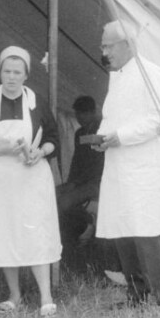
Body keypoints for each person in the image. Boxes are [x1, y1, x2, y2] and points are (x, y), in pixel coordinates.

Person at [0, 45, 61, 317]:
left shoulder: (37, 102)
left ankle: (46, 297)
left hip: (30, 179)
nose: (11, 77)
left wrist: (40, 152)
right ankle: (15, 295)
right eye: (7, 71)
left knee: (35, 233)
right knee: (5, 234)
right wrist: (3, 151)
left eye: (17, 72)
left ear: (26, 75)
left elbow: (53, 138)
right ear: (0, 72)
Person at [94, 20, 160, 308]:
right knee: (123, 230)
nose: (104, 51)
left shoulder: (153, 74)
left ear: (127, 43)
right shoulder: (117, 77)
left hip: (144, 166)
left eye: (108, 45)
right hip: (119, 166)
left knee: (147, 232)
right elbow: (111, 118)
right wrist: (102, 137)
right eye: (103, 46)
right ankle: (136, 293)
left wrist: (122, 137)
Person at [56, 95, 104, 249]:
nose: (78, 117)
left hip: (98, 181)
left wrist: (75, 184)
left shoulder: (102, 131)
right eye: (77, 114)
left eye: (81, 114)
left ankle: (88, 222)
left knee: (64, 202)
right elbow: (76, 161)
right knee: (52, 195)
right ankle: (79, 229)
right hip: (81, 181)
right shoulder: (79, 133)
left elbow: (98, 165)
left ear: (92, 112)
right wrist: (70, 182)